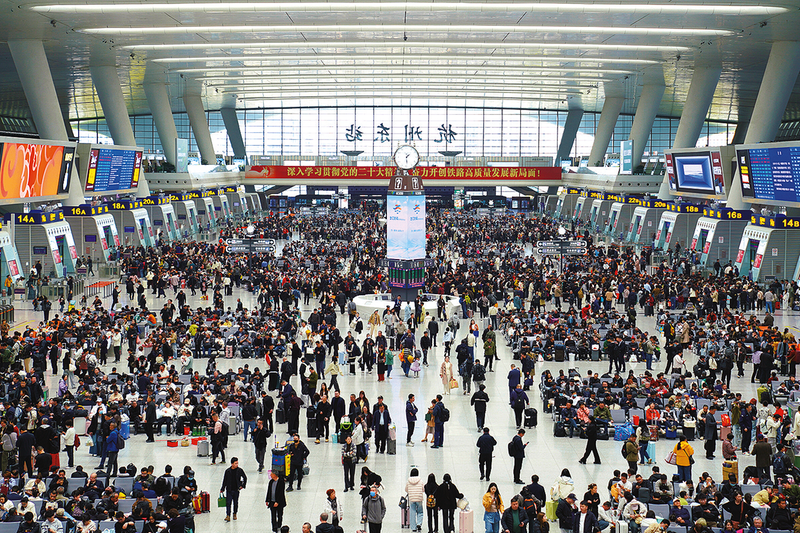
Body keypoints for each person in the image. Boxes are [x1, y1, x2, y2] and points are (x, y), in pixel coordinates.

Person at [220, 457, 247, 522]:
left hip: (236, 489)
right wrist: (222, 488)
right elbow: (225, 480)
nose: (237, 465)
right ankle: (228, 515)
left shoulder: (239, 470)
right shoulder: (227, 471)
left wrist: (242, 485)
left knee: (235, 502)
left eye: (237, 463)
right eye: (235, 463)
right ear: (232, 464)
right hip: (229, 489)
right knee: (228, 503)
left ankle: (235, 513)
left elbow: (245, 477)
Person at [405, 468, 425, 533]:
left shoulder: (408, 481)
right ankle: (419, 524)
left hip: (411, 499)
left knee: (412, 513)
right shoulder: (420, 481)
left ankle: (413, 527)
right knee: (420, 511)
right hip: (419, 498)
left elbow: (406, 489)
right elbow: (423, 489)